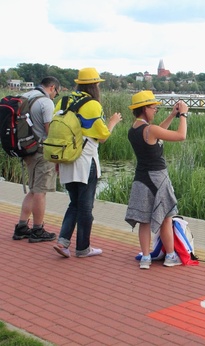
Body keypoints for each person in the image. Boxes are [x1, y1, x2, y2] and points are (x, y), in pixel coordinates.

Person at [53, 67, 122, 258]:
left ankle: (62, 241)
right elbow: (103, 137)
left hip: (66, 158)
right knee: (85, 207)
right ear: (95, 85)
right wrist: (113, 121)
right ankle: (83, 248)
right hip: (85, 161)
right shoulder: (92, 105)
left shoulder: (62, 101)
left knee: (74, 203)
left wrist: (57, 161)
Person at [124, 90, 188, 269]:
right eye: (154, 108)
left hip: (141, 179)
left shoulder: (134, 130)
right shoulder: (150, 130)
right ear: (145, 109)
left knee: (144, 220)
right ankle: (170, 255)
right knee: (166, 218)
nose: (155, 111)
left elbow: (157, 132)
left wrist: (171, 115)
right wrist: (183, 115)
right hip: (158, 178)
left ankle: (145, 258)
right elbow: (181, 135)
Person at [12, 76, 61, 243]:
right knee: (40, 191)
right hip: (41, 151)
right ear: (52, 87)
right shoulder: (46, 102)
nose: (55, 96)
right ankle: (38, 229)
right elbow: (50, 130)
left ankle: (21, 226)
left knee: (33, 189)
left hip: (27, 149)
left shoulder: (26, 95)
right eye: (56, 92)